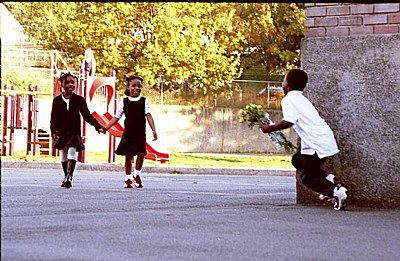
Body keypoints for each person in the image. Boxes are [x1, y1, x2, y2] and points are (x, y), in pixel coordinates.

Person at [258, 68, 349, 210]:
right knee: (297, 160)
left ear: (287, 84)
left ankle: (336, 191)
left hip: (316, 142)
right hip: (320, 139)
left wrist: (269, 128)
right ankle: (327, 180)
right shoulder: (301, 98)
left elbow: (288, 121)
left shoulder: (289, 99)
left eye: (283, 80)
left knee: (307, 178)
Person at [101, 75, 158, 188]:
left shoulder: (144, 101)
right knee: (128, 155)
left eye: (139, 86)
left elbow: (149, 116)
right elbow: (116, 117)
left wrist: (154, 130)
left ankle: (136, 174)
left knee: (141, 153)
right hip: (128, 133)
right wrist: (105, 127)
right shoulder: (124, 101)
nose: (137, 88)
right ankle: (127, 178)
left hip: (140, 133)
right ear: (128, 87)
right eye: (134, 86)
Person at [50, 72, 105, 188]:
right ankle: (66, 176)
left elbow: (87, 115)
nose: (71, 85)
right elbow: (53, 117)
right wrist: (53, 131)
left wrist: (98, 126)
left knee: (71, 150)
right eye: (68, 83)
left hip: (74, 131)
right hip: (61, 131)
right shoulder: (57, 101)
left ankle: (69, 176)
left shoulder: (79, 100)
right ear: (62, 85)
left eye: (72, 83)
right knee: (63, 153)